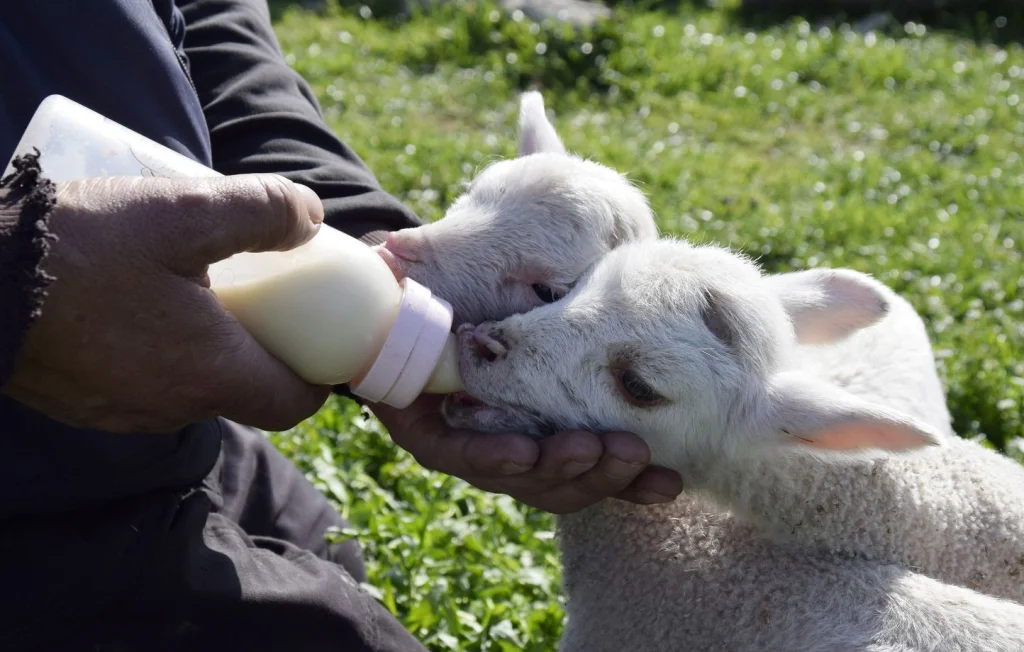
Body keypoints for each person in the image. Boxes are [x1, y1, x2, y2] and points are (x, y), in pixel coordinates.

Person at [0, 1, 683, 650]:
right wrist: (14, 276)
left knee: (339, 553)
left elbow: (205, 26)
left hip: (163, 419)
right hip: (29, 490)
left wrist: (356, 234)